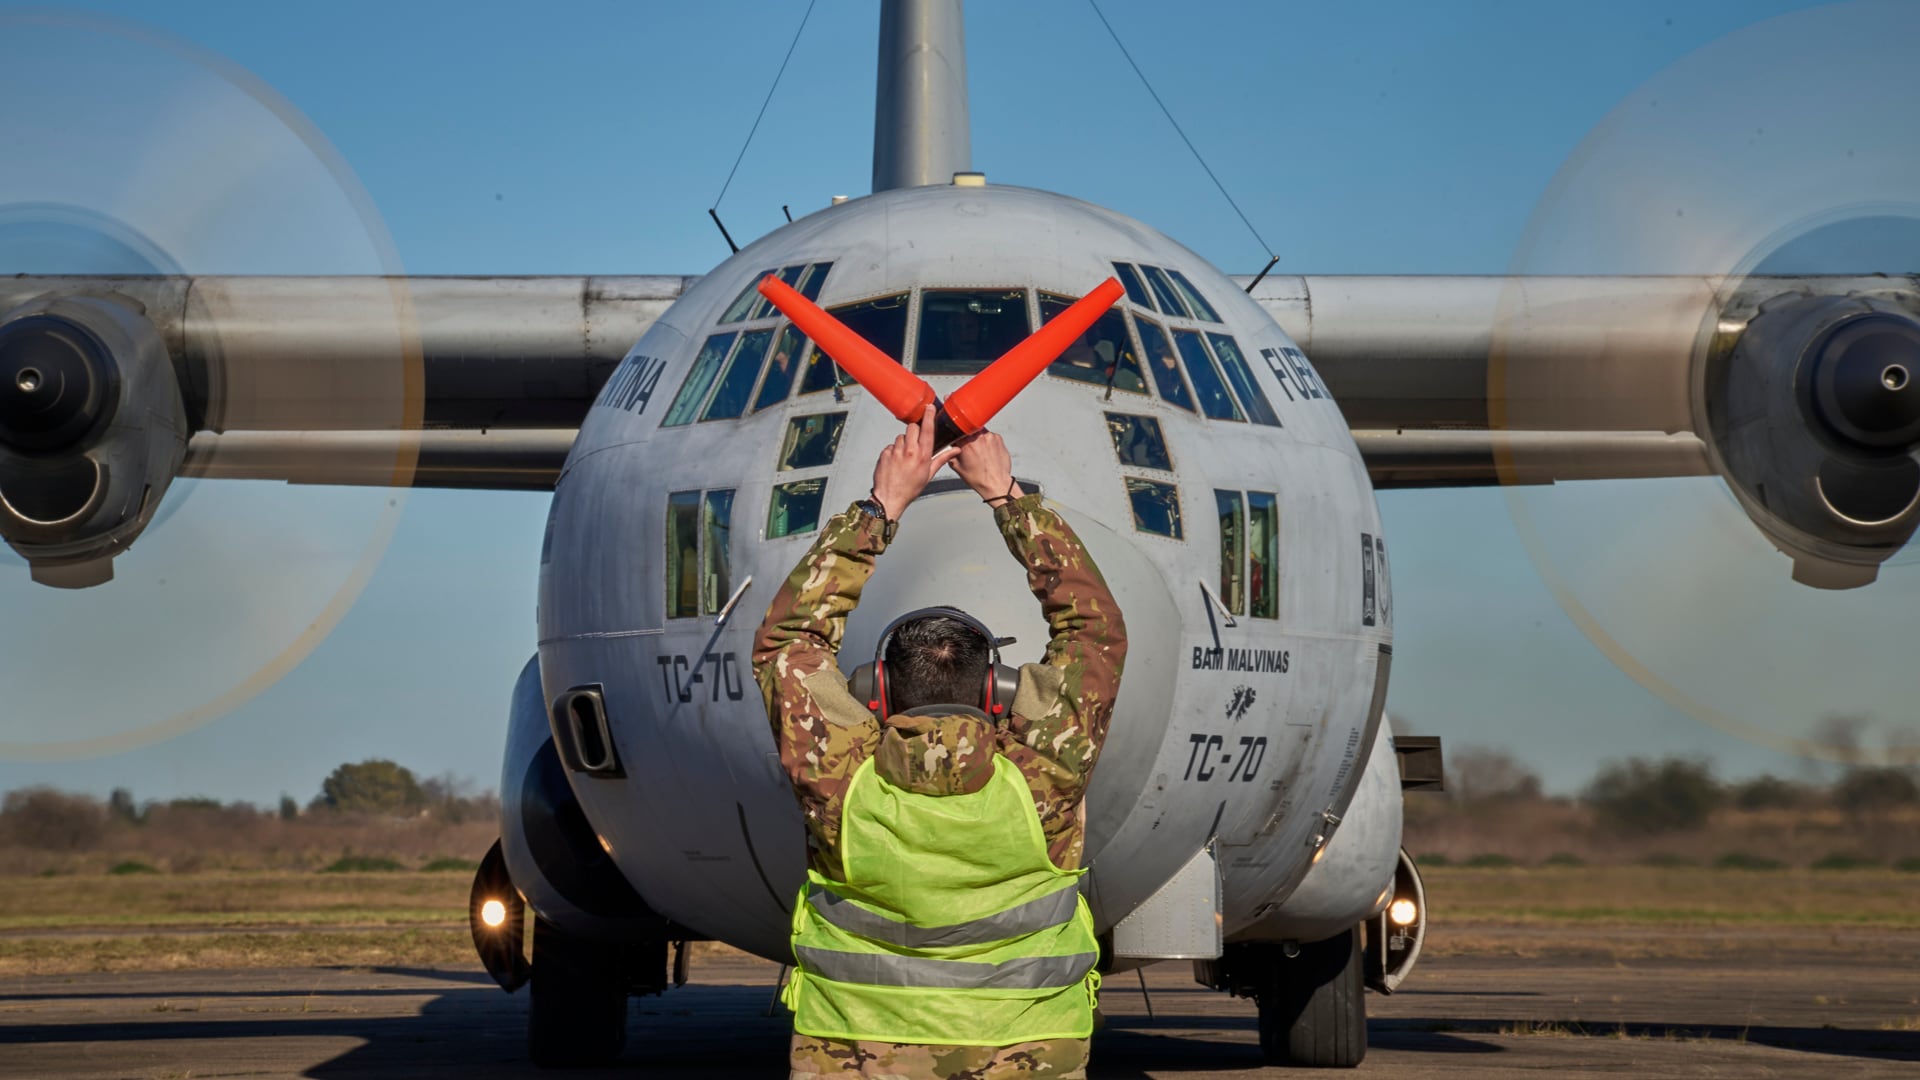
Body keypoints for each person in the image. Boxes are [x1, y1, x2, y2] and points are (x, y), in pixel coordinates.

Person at [754, 406, 1128, 1080]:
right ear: (997, 693)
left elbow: (790, 640)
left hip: (856, 1056)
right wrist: (1008, 498)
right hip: (1032, 1051)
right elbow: (1095, 630)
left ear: (877, 694)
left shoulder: (837, 772)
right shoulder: (1046, 768)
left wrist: (881, 508)